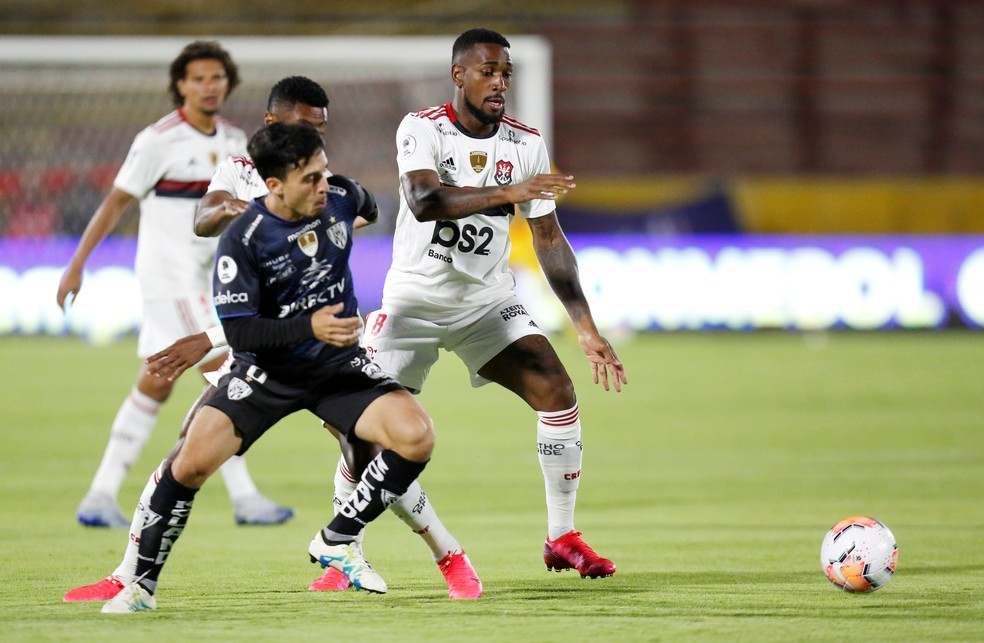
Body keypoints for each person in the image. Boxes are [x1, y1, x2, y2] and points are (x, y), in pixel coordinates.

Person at [63, 76, 481, 604]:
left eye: (320, 138)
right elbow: (209, 222)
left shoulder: (333, 190)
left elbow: (367, 205)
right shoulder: (244, 209)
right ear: (274, 166)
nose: (316, 147)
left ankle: (401, 550)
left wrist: (332, 222)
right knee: (188, 458)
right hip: (264, 363)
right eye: (306, 132)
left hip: (334, 363)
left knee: (389, 444)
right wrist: (255, 218)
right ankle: (133, 578)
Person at [360, 27, 628, 578]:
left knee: (556, 387)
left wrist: (584, 327)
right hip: (412, 301)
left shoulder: (526, 143)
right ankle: (345, 544)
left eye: (506, 72)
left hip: (485, 299)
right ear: (459, 75)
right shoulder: (422, 127)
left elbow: (549, 240)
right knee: (366, 432)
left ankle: (562, 536)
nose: (500, 81)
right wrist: (510, 193)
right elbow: (425, 199)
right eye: (488, 71)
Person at [55, 40, 292, 528]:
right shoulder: (158, 139)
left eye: (217, 77)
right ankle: (245, 497)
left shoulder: (234, 142)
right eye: (199, 78)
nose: (210, 86)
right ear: (180, 85)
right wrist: (77, 263)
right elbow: (116, 202)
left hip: (210, 277)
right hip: (171, 276)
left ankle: (99, 495)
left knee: (156, 381)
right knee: (228, 371)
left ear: (228, 83)